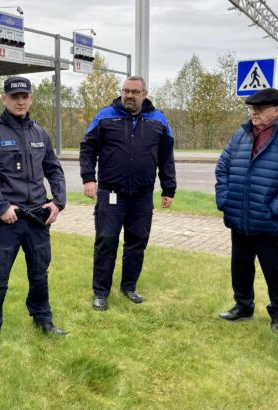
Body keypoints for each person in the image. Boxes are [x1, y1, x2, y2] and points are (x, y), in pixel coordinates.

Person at [0, 76, 67, 360]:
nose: (21, 101)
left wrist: (58, 202)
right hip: (7, 222)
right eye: (15, 97)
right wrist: (0, 206)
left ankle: (43, 319)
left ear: (31, 98)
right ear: (4, 99)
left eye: (25, 96)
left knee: (39, 275)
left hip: (38, 219)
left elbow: (54, 169)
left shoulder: (40, 133)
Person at [215, 88, 278, 335]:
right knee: (240, 267)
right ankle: (243, 306)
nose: (254, 113)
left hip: (271, 222)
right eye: (252, 109)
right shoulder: (240, 136)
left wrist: (275, 209)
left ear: (277, 110)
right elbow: (223, 169)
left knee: (275, 270)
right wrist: (225, 200)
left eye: (260, 109)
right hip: (239, 218)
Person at [79, 76, 176, 311]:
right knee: (106, 241)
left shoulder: (158, 120)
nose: (129, 96)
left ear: (144, 93)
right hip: (111, 192)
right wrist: (89, 178)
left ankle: (129, 286)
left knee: (137, 242)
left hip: (142, 196)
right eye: (125, 91)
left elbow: (166, 157)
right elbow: (87, 148)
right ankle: (101, 292)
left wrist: (168, 188)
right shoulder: (105, 116)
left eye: (134, 92)